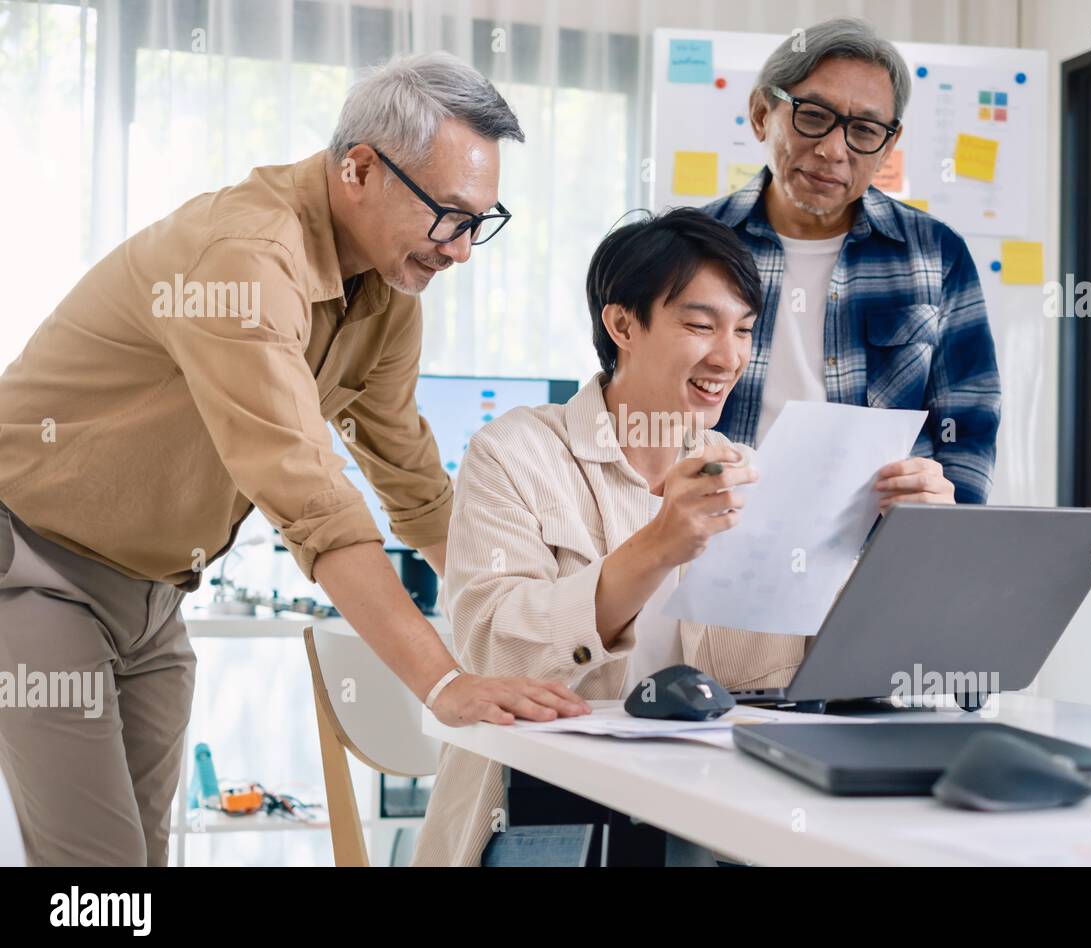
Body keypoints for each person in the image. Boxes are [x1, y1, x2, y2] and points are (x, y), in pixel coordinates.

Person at [0, 52, 586, 867]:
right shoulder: (241, 258)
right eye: (449, 217)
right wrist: (445, 684)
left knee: (138, 869)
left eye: (480, 221)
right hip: (31, 562)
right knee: (94, 873)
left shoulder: (388, 290)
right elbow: (307, 489)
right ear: (359, 169)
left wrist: (526, 626)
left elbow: (410, 479)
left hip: (153, 593)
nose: (462, 252)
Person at [411, 208, 810, 867]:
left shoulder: (744, 476)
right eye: (700, 325)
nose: (730, 356)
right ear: (622, 324)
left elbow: (799, 681)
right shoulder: (513, 453)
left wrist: (885, 539)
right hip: (547, 819)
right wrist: (658, 546)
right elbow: (494, 650)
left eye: (743, 330)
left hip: (709, 820)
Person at [701, 17, 1001, 507]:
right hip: (713, 537)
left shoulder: (936, 254)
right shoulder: (692, 248)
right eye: (814, 115)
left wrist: (946, 519)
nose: (833, 150)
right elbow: (642, 406)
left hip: (881, 551)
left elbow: (970, 422)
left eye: (863, 129)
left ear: (888, 144)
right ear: (761, 113)